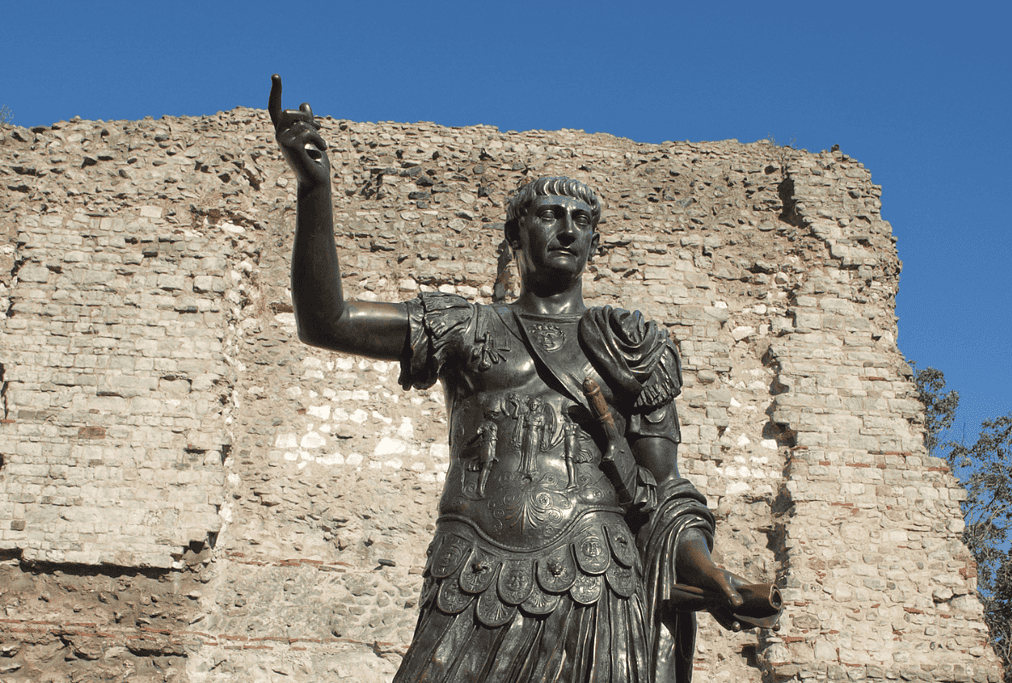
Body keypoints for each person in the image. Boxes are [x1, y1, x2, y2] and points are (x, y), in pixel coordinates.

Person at [269, 75, 750, 683]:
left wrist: (704, 568)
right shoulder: (464, 327)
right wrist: (315, 191)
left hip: (599, 577)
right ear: (515, 234)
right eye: (550, 215)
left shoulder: (634, 347)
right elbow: (326, 321)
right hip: (472, 575)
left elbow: (666, 493)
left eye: (581, 220)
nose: (568, 229)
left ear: (595, 243)